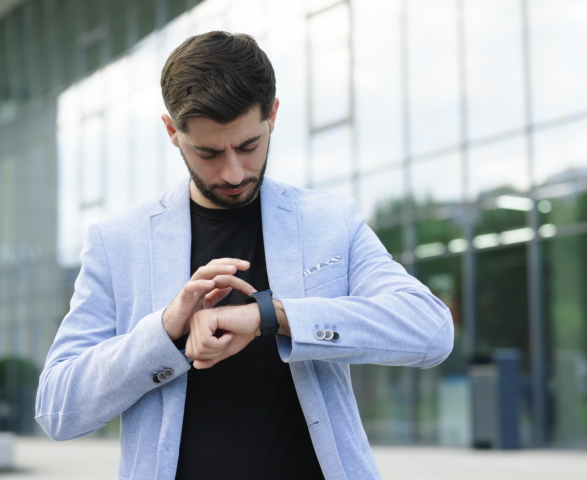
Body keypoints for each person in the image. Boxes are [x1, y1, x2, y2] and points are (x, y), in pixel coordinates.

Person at [36, 31, 453, 480]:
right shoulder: (117, 242)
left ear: (272, 115)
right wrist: (165, 330)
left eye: (249, 146)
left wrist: (270, 316)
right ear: (172, 132)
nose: (233, 171)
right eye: (209, 152)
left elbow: (430, 329)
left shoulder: (329, 221)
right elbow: (57, 410)